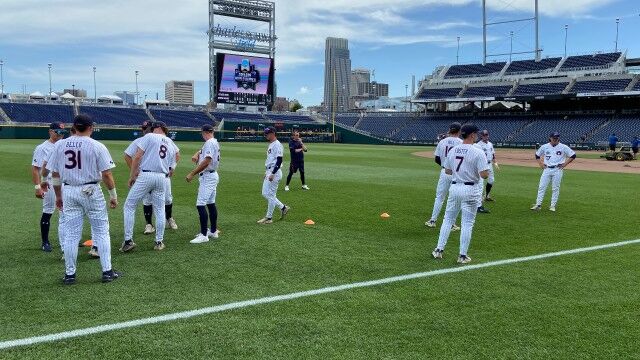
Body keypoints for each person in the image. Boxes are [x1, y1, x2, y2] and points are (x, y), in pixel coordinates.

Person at [45, 114, 120, 285]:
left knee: (71, 235)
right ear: (90, 127)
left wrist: (58, 196)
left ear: (74, 127)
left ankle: (70, 275)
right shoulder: (97, 145)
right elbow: (107, 174)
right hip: (92, 190)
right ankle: (107, 271)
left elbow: (55, 174)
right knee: (101, 231)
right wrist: (113, 196)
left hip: (69, 190)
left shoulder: (60, 145)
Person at [431, 124, 489, 264]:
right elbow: (484, 175)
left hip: (455, 187)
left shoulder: (454, 150)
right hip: (471, 189)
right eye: (476, 133)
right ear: (472, 135)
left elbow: (448, 171)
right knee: (467, 223)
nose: (477, 136)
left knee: (448, 219)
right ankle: (462, 255)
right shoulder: (478, 151)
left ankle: (439, 250)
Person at [121, 121, 177, 252]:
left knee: (129, 205)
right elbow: (174, 159)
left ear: (156, 128)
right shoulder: (169, 141)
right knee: (159, 209)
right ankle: (159, 242)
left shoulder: (149, 136)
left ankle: (128, 241)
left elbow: (137, 157)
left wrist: (132, 176)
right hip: (162, 177)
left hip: (146, 175)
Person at [32, 122, 67, 252]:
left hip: (64, 181)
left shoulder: (64, 145)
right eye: (58, 132)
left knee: (67, 210)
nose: (61, 134)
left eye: (63, 132)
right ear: (51, 132)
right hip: (49, 182)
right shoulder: (42, 148)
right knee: (49, 210)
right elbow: (35, 169)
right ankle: (45, 241)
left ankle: (68, 238)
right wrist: (38, 187)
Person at [186, 124, 221, 244]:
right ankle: (213, 231)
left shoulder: (209, 143)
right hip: (212, 175)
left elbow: (207, 161)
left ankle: (204, 235)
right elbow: (204, 151)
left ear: (204, 132)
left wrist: (192, 173)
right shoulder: (213, 141)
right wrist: (197, 153)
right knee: (211, 203)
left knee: (200, 204)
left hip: (208, 176)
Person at [425, 122, 462, 230]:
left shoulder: (442, 141)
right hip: (457, 174)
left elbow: (437, 159)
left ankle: (432, 220)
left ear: (450, 130)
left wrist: (445, 165)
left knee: (439, 197)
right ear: (459, 131)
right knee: (455, 199)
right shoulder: (461, 142)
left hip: (445, 172)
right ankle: (451, 224)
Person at [530, 132, 576, 212]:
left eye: (556, 138)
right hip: (547, 169)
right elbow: (537, 155)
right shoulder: (545, 146)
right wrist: (540, 163)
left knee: (555, 188)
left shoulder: (563, 147)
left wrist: (564, 164)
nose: (555, 139)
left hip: (557, 169)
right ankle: (538, 205)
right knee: (541, 187)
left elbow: (573, 155)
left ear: (558, 138)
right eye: (554, 137)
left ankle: (552, 205)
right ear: (550, 138)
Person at [258, 127, 290, 224]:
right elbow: (270, 160)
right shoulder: (271, 144)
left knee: (271, 195)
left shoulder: (277, 144)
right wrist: (266, 172)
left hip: (274, 172)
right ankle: (283, 208)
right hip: (270, 171)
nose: (266, 135)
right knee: (265, 193)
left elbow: (279, 160)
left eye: (267, 133)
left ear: (273, 133)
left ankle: (269, 217)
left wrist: (272, 173)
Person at [474, 130, 499, 214]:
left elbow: (493, 154)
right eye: (484, 135)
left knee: (491, 181)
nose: (486, 136)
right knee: (480, 183)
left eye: (487, 135)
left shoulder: (490, 144)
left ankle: (487, 196)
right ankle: (478, 200)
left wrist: (495, 163)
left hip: (489, 164)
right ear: (481, 136)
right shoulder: (478, 145)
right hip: (482, 165)